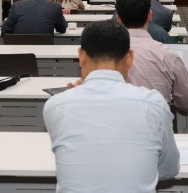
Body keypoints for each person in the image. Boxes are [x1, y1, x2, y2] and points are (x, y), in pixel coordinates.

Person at [43, 21, 179, 193]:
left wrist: (73, 96)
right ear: (130, 58)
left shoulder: (55, 106)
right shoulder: (154, 104)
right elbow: (169, 170)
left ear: (81, 57)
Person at [115, 0, 188, 114]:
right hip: (156, 129)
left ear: (118, 19)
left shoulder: (103, 57)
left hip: (115, 129)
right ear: (149, 15)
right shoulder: (168, 56)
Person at [2, 0, 67, 35]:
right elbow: (62, 29)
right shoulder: (55, 7)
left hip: (20, 49)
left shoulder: (16, 6)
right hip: (45, 48)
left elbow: (5, 31)